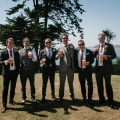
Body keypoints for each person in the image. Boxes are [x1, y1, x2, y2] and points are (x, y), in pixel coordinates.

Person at [93, 33, 116, 108]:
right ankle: (101, 99)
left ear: (104, 38)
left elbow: (114, 56)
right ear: (98, 39)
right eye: (100, 39)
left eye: (102, 38)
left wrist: (106, 56)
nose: (101, 40)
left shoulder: (110, 46)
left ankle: (110, 101)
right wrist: (94, 52)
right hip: (98, 69)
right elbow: (93, 56)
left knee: (108, 85)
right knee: (99, 85)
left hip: (106, 69)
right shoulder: (96, 46)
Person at [0, 38, 20, 113]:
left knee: (13, 88)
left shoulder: (16, 52)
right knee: (5, 89)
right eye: (10, 43)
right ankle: (4, 105)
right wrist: (6, 61)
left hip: (14, 73)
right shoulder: (3, 52)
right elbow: (0, 62)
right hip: (6, 73)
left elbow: (18, 62)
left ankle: (11, 100)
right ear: (7, 43)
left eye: (12, 43)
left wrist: (17, 71)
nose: (11, 44)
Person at [56, 33, 75, 103]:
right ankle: (61, 97)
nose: (65, 39)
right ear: (62, 39)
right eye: (63, 38)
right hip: (62, 68)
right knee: (62, 83)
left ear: (67, 39)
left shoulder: (71, 46)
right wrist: (58, 55)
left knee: (71, 83)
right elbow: (55, 58)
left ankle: (72, 96)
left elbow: (75, 55)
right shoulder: (58, 47)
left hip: (70, 68)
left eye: (66, 38)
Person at [74, 40, 94, 104]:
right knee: (82, 85)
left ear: (84, 44)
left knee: (90, 84)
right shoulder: (76, 51)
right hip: (80, 70)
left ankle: (90, 98)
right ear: (78, 45)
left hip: (87, 70)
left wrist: (88, 63)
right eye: (80, 44)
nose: (81, 45)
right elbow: (74, 59)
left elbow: (92, 60)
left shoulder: (89, 51)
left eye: (82, 44)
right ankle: (84, 97)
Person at [19, 37, 37, 103]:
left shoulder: (32, 50)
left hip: (31, 70)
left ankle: (33, 97)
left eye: (28, 42)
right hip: (23, 71)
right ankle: (23, 98)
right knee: (23, 85)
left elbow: (35, 59)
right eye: (25, 42)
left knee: (32, 84)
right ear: (23, 43)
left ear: (29, 43)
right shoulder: (20, 51)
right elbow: (19, 61)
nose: (27, 43)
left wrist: (32, 57)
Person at [39, 38, 57, 103]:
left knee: (52, 83)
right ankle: (43, 96)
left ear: (51, 43)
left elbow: (56, 57)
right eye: (47, 42)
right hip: (45, 70)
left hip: (52, 69)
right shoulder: (41, 51)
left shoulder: (54, 50)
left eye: (49, 42)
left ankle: (53, 96)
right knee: (44, 84)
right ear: (45, 43)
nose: (48, 43)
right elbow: (40, 61)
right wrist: (41, 62)